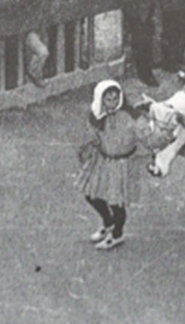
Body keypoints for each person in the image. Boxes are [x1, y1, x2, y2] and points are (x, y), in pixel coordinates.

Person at [75, 80, 145, 250]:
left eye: (115, 98)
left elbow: (146, 135)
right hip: (101, 160)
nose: (112, 103)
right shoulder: (96, 115)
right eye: (108, 99)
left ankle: (117, 234)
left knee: (116, 203)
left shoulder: (131, 116)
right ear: (100, 100)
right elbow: (89, 135)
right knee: (91, 195)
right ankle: (108, 222)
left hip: (122, 164)